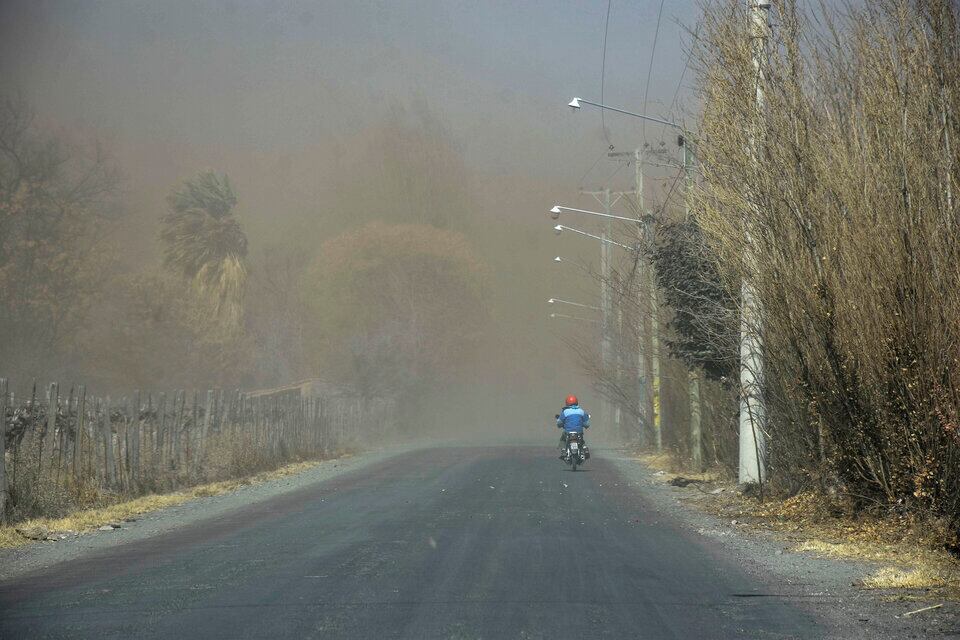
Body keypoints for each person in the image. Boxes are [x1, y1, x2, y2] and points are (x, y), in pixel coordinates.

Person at [556, 394, 590, 460]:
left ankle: (563, 450)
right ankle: (585, 449)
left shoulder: (565, 412)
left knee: (563, 439)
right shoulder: (581, 411)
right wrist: (584, 425)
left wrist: (560, 425)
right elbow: (587, 424)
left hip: (568, 432)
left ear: (567, 403)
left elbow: (559, 423)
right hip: (579, 431)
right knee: (581, 441)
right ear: (576, 402)